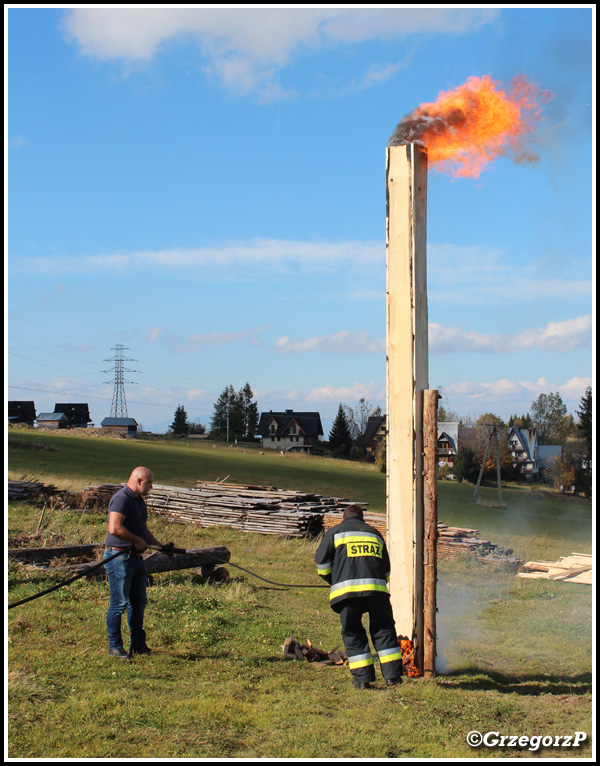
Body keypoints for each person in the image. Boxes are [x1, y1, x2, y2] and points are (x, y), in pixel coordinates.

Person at [314, 504, 403, 689]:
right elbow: (386, 570)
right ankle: (393, 677)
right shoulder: (374, 534)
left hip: (347, 594)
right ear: (362, 518)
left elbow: (321, 563)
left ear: (344, 518)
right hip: (377, 593)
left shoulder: (335, 533)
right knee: (384, 630)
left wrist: (335, 579)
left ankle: (363, 680)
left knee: (353, 633)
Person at [103, 466, 165, 659]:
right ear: (139, 481)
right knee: (119, 604)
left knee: (138, 603)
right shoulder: (122, 499)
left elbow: (142, 530)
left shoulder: (138, 501)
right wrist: (137, 541)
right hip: (119, 557)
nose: (151, 487)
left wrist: (160, 546)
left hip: (136, 559)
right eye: (149, 483)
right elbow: (114, 528)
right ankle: (115, 647)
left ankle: (138, 644)